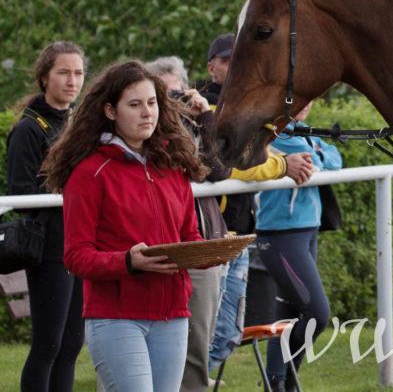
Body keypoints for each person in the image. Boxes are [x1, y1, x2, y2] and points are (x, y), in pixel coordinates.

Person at [41, 60, 209, 392]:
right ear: (110, 111)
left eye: (152, 103)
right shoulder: (89, 173)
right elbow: (76, 256)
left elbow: (189, 235)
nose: (147, 113)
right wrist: (128, 262)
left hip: (173, 314)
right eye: (135, 104)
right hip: (116, 318)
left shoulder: (172, 166)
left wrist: (210, 252)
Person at [200, 33, 314, 377]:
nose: (235, 66)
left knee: (226, 335)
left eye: (240, 59)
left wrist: (279, 157)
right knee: (210, 334)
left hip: (240, 233)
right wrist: (283, 164)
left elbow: (257, 152)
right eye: (226, 60)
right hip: (210, 235)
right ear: (211, 67)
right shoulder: (204, 108)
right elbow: (225, 165)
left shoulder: (247, 106)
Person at [144, 56, 231, 392]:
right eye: (163, 95)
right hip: (158, 246)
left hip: (200, 241)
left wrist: (204, 117)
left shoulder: (196, 124)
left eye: (177, 93)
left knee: (197, 344)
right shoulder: (143, 130)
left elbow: (218, 170)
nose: (172, 101)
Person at [6, 41, 86, 392]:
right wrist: (68, 197)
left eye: (78, 73)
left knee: (71, 346)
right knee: (48, 346)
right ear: (44, 77)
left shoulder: (79, 124)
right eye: (63, 72)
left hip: (80, 244)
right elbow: (21, 195)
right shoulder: (28, 129)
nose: (72, 80)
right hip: (51, 249)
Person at [256, 103, 342, 391]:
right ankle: (281, 381)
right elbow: (312, 161)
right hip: (281, 236)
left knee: (289, 316)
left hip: (306, 231)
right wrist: (316, 153)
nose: (307, 104)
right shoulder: (275, 134)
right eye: (300, 99)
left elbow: (335, 158)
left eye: (312, 98)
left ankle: (279, 383)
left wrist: (316, 152)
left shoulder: (304, 132)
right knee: (317, 314)